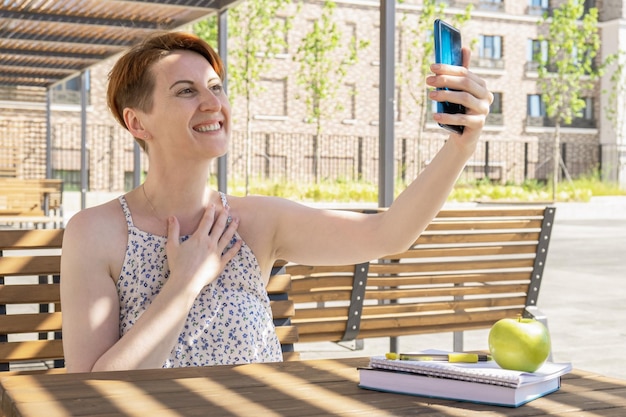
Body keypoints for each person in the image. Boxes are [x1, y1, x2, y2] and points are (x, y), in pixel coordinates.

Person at [60, 31, 493, 372]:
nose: (214, 103)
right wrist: (185, 281)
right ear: (137, 122)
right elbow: (91, 393)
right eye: (186, 91)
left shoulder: (257, 220)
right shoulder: (97, 231)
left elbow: (388, 234)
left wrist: (461, 146)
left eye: (216, 87)